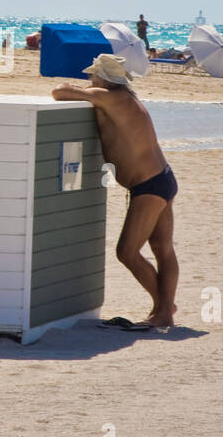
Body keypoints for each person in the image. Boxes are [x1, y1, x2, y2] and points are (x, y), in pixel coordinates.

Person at [51, 52, 178, 329]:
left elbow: (59, 92)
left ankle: (165, 308)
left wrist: (88, 91)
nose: (88, 78)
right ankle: (164, 309)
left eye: (92, 75)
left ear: (102, 78)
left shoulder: (111, 97)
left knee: (127, 252)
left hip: (149, 186)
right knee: (162, 249)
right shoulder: (126, 98)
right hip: (162, 178)